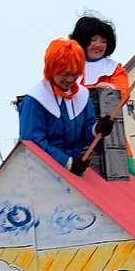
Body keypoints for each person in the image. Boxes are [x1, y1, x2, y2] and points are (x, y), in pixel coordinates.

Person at [18, 37, 113, 175]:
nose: (69, 80)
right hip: (42, 174)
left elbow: (87, 130)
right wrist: (66, 162)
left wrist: (96, 129)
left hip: (76, 173)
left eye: (74, 74)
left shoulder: (82, 96)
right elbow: (32, 142)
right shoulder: (35, 100)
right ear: (52, 70)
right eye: (65, 74)